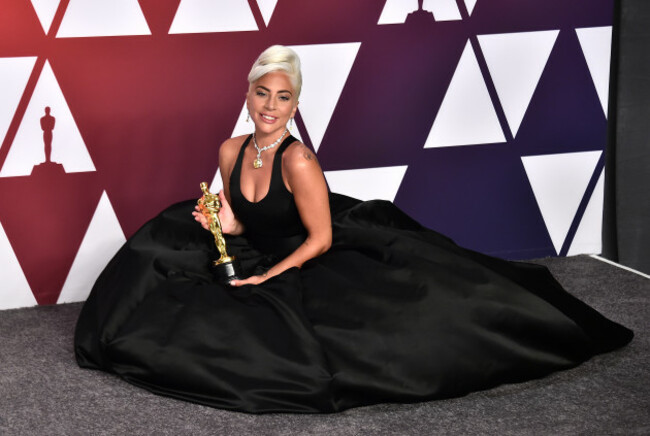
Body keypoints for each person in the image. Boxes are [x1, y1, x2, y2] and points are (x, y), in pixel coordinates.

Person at [75, 46, 632, 414]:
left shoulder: (299, 162)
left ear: (296, 103)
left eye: (283, 96)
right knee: (163, 257)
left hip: (309, 253)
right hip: (263, 246)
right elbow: (248, 217)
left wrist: (269, 277)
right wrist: (227, 220)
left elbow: (319, 240)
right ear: (247, 94)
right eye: (262, 93)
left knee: (394, 331)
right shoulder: (230, 150)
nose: (270, 106)